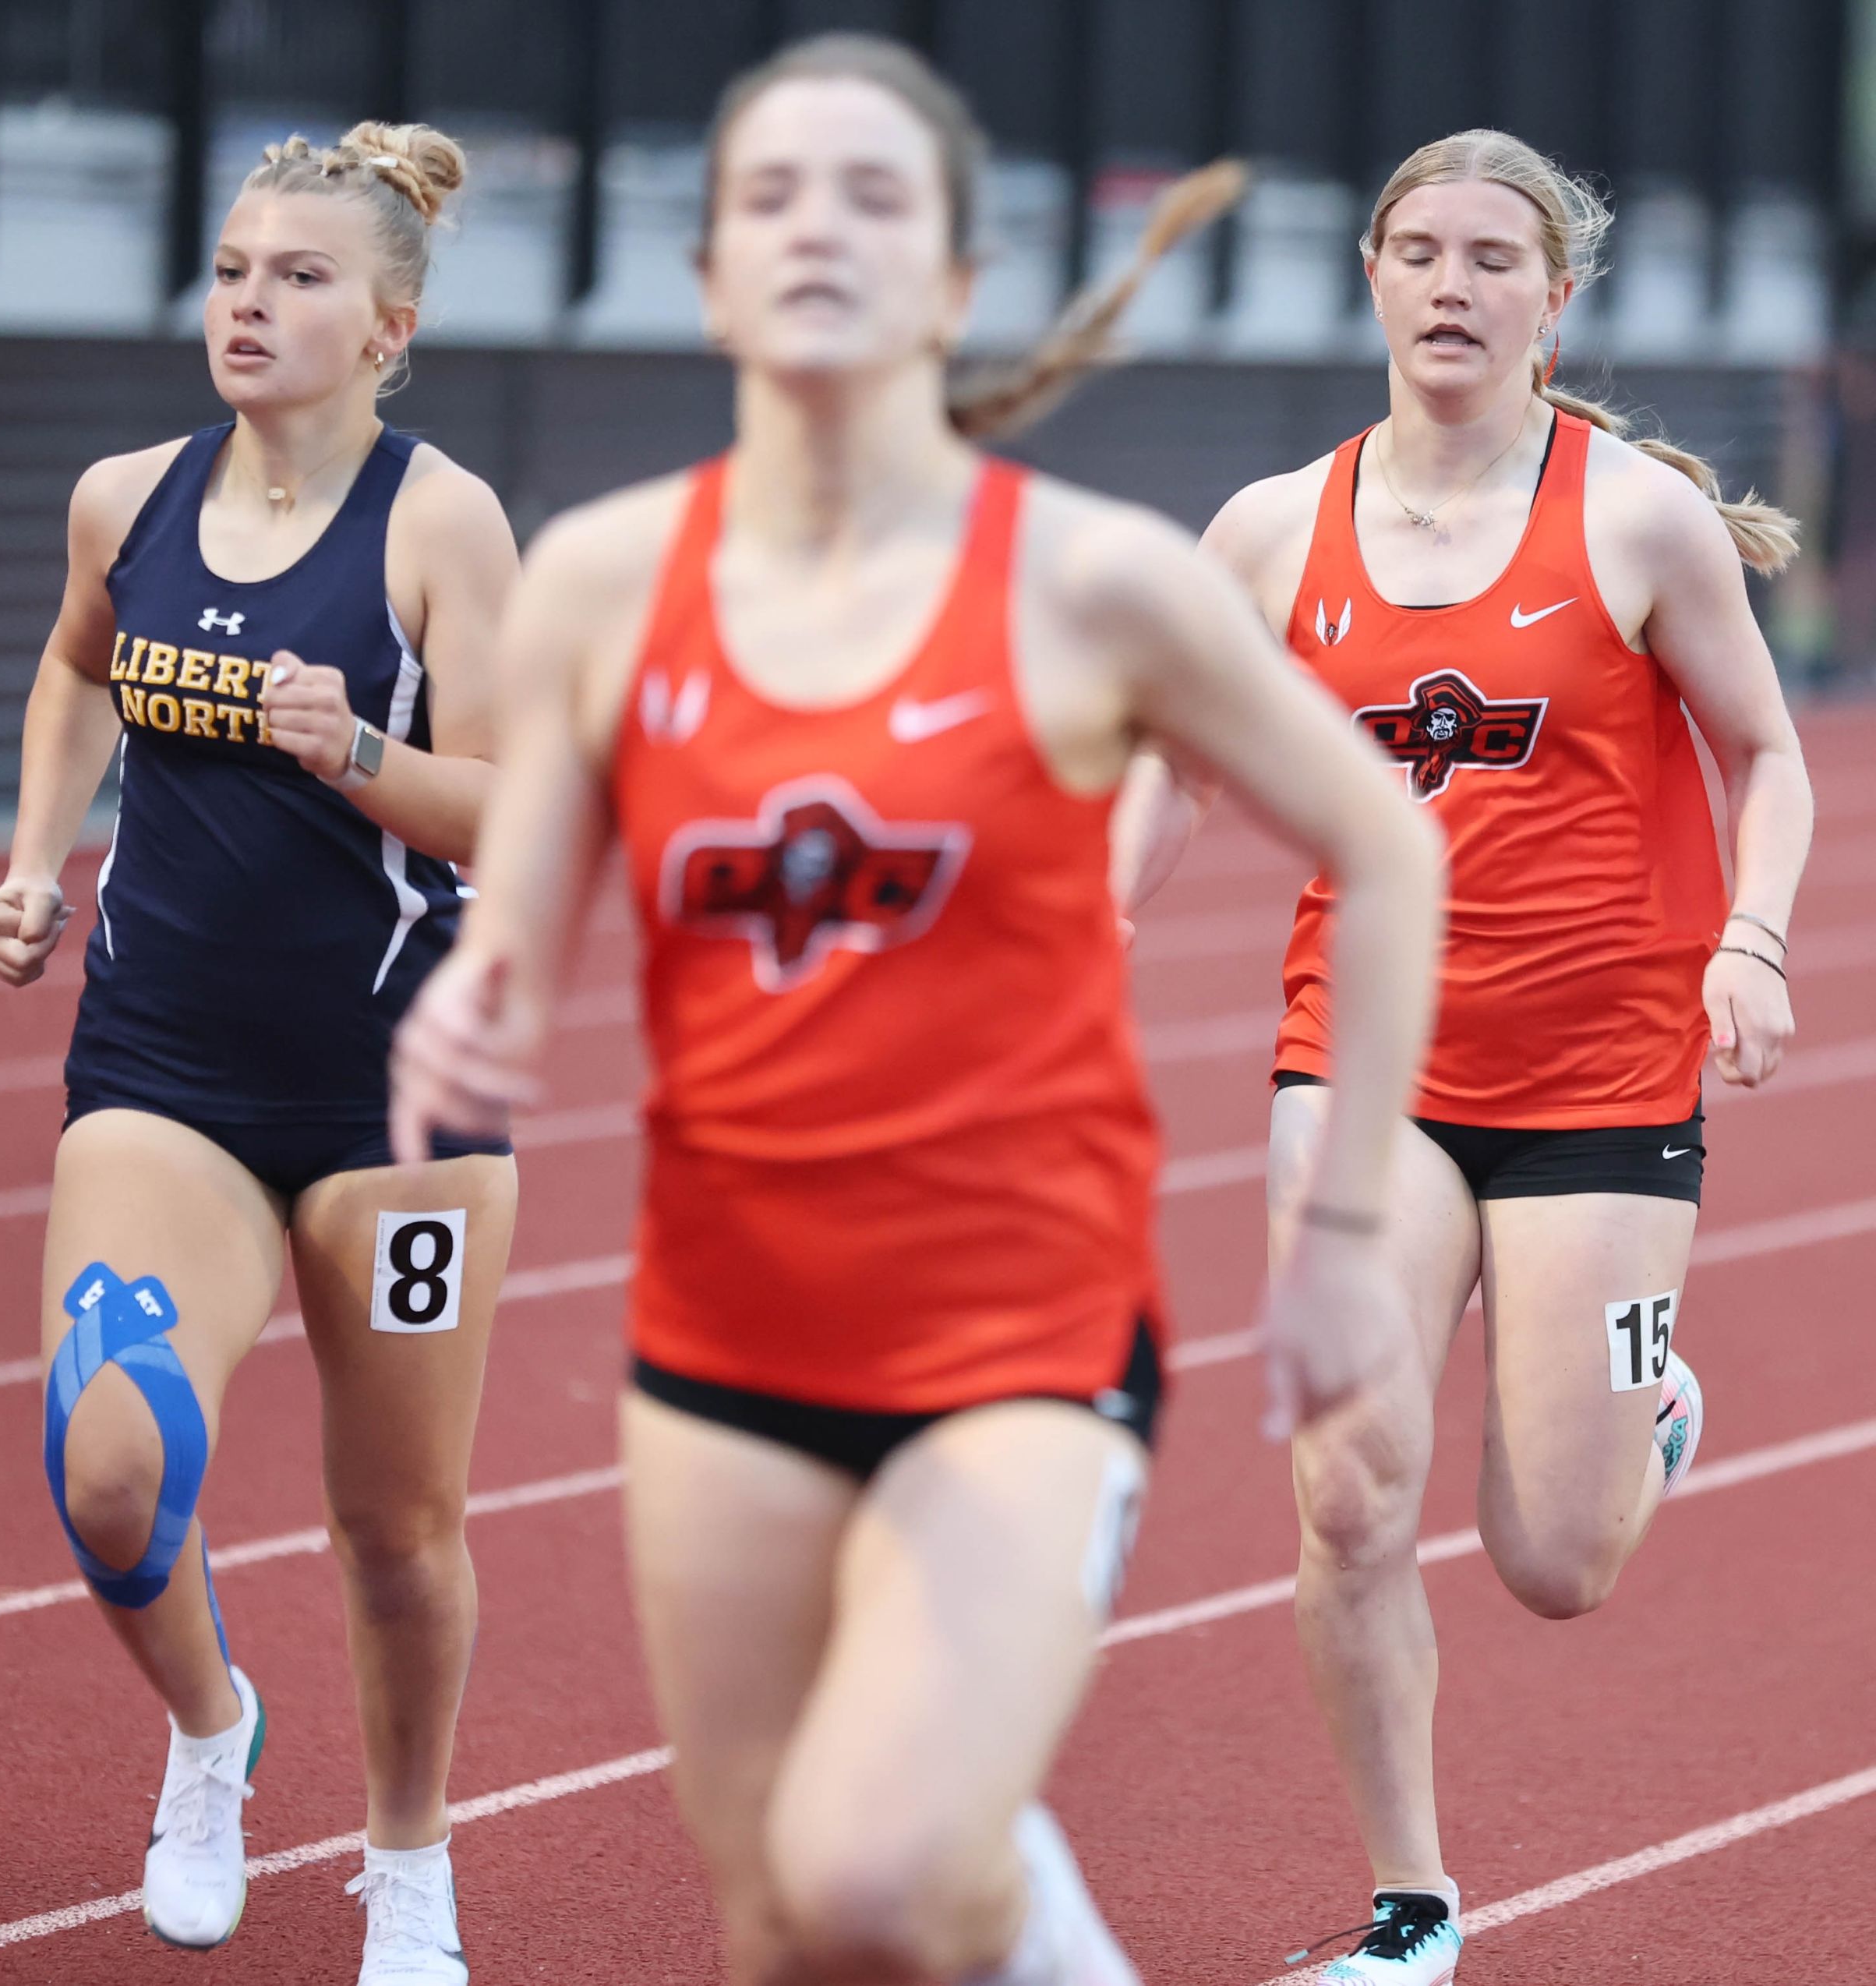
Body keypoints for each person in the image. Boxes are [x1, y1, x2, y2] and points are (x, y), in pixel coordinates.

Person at [390, 35, 1443, 1986]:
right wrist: (479, 1001)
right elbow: (518, 906)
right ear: (708, 272)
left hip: (1013, 1334)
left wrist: (1346, 1231)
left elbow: (1384, 847)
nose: (817, 228)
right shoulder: (606, 579)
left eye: (873, 196)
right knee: (781, 1921)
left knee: (877, 1873)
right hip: (720, 1334)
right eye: (771, 195)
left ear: (954, 281)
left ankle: (1028, 1914)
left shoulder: (1090, 580)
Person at [1164, 130, 1811, 1982]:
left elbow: (1764, 755)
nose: (1451, 285)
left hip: (1599, 1074)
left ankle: (1645, 1405)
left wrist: (1750, 938)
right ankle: (1410, 1906)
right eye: (1418, 251)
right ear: (1370, 274)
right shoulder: (1268, 530)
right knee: (1345, 1490)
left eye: (1491, 258)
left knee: (1554, 1559)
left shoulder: (1635, 520)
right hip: (1357, 1064)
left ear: (1555, 299)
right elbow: (1174, 770)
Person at [0, 121, 520, 1986]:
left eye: (296, 277)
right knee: (111, 1468)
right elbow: (76, 665)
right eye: (227, 271)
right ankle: (213, 1729)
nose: (246, 304)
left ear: (388, 326)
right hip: (164, 1074)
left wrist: (355, 747)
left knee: (397, 1528)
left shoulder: (440, 523)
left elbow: (512, 807)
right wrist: (36, 860)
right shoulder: (124, 498)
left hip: (399, 1101)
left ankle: (408, 1860)